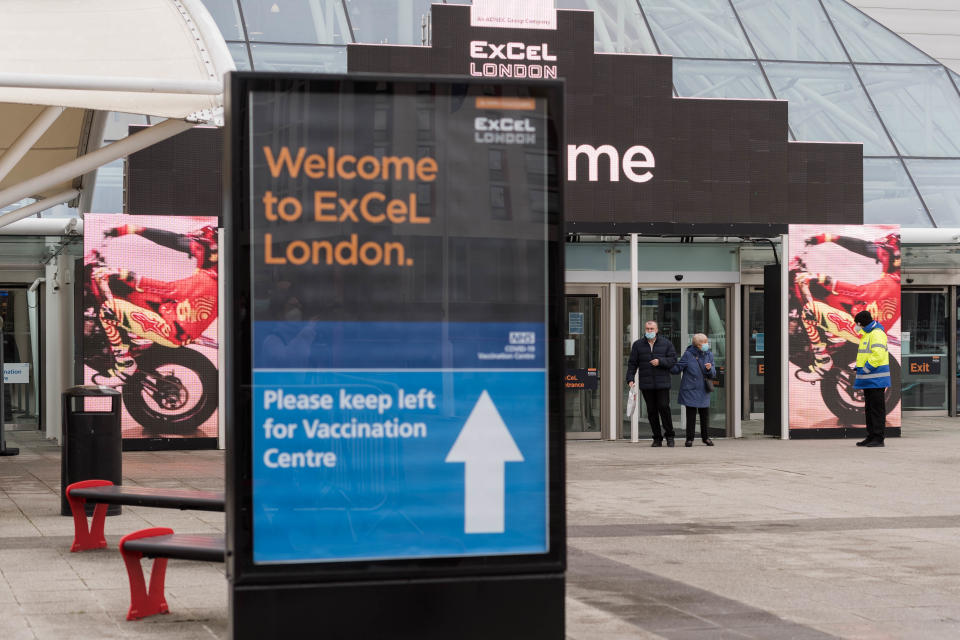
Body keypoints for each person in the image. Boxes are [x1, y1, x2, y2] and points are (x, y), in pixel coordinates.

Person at [93, 223, 218, 384]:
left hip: (173, 329)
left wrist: (127, 275)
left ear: (212, 254)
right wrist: (134, 229)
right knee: (127, 292)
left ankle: (125, 366)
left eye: (198, 248)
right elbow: (176, 240)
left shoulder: (208, 279)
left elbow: (168, 289)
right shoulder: (212, 261)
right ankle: (129, 342)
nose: (194, 249)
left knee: (109, 310)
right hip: (173, 310)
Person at [795, 232, 900, 381]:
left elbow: (860, 292)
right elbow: (864, 247)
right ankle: (827, 337)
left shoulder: (894, 283)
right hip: (863, 311)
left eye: (885, 252)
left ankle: (822, 362)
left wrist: (825, 279)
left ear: (897, 259)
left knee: (810, 311)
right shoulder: (893, 262)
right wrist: (829, 237)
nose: (880, 254)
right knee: (822, 292)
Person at [626, 320, 677, 446]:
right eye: (647, 329)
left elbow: (673, 360)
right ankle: (657, 438)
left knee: (664, 408)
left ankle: (670, 436)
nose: (649, 331)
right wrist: (630, 378)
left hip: (662, 383)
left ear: (657, 330)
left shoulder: (666, 343)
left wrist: (660, 362)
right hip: (646, 384)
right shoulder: (638, 345)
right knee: (652, 411)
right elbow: (632, 363)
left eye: (652, 328)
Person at [853, 309, 890, 447]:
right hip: (869, 379)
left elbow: (878, 355)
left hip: (876, 378)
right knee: (869, 409)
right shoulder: (868, 334)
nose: (856, 326)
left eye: (857, 324)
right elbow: (866, 355)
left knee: (876, 409)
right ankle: (871, 436)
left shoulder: (877, 334)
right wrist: (859, 367)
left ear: (861, 323)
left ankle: (878, 438)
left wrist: (866, 368)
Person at [671, 333, 716, 447]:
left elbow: (713, 373)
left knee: (704, 415)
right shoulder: (688, 354)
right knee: (691, 415)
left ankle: (705, 438)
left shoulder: (709, 354)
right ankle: (689, 439)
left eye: (707, 342)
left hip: (703, 389)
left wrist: (710, 369)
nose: (707, 344)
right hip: (690, 389)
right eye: (704, 342)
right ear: (698, 345)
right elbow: (677, 368)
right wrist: (667, 364)